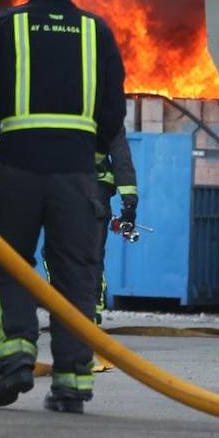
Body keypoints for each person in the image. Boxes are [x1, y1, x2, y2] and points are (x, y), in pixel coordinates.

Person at [0, 0, 126, 414]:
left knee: (8, 264)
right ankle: (71, 385)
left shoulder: (7, 26)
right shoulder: (97, 32)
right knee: (75, 277)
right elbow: (113, 112)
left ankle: (16, 358)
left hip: (17, 171)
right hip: (76, 177)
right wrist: (89, 150)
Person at [95, 127, 139, 321]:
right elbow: (122, 160)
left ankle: (63, 306)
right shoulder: (107, 111)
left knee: (55, 252)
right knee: (92, 252)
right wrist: (129, 206)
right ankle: (91, 308)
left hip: (62, 189)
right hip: (97, 191)